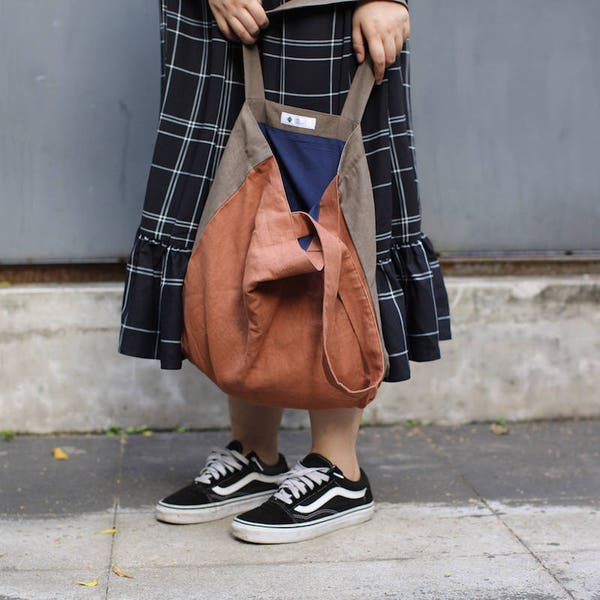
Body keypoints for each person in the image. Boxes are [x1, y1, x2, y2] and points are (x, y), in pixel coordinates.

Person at [119, 0, 451, 544]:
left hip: (331, 10)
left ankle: (337, 469)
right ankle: (255, 453)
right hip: (211, 17)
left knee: (326, 213)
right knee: (230, 215)